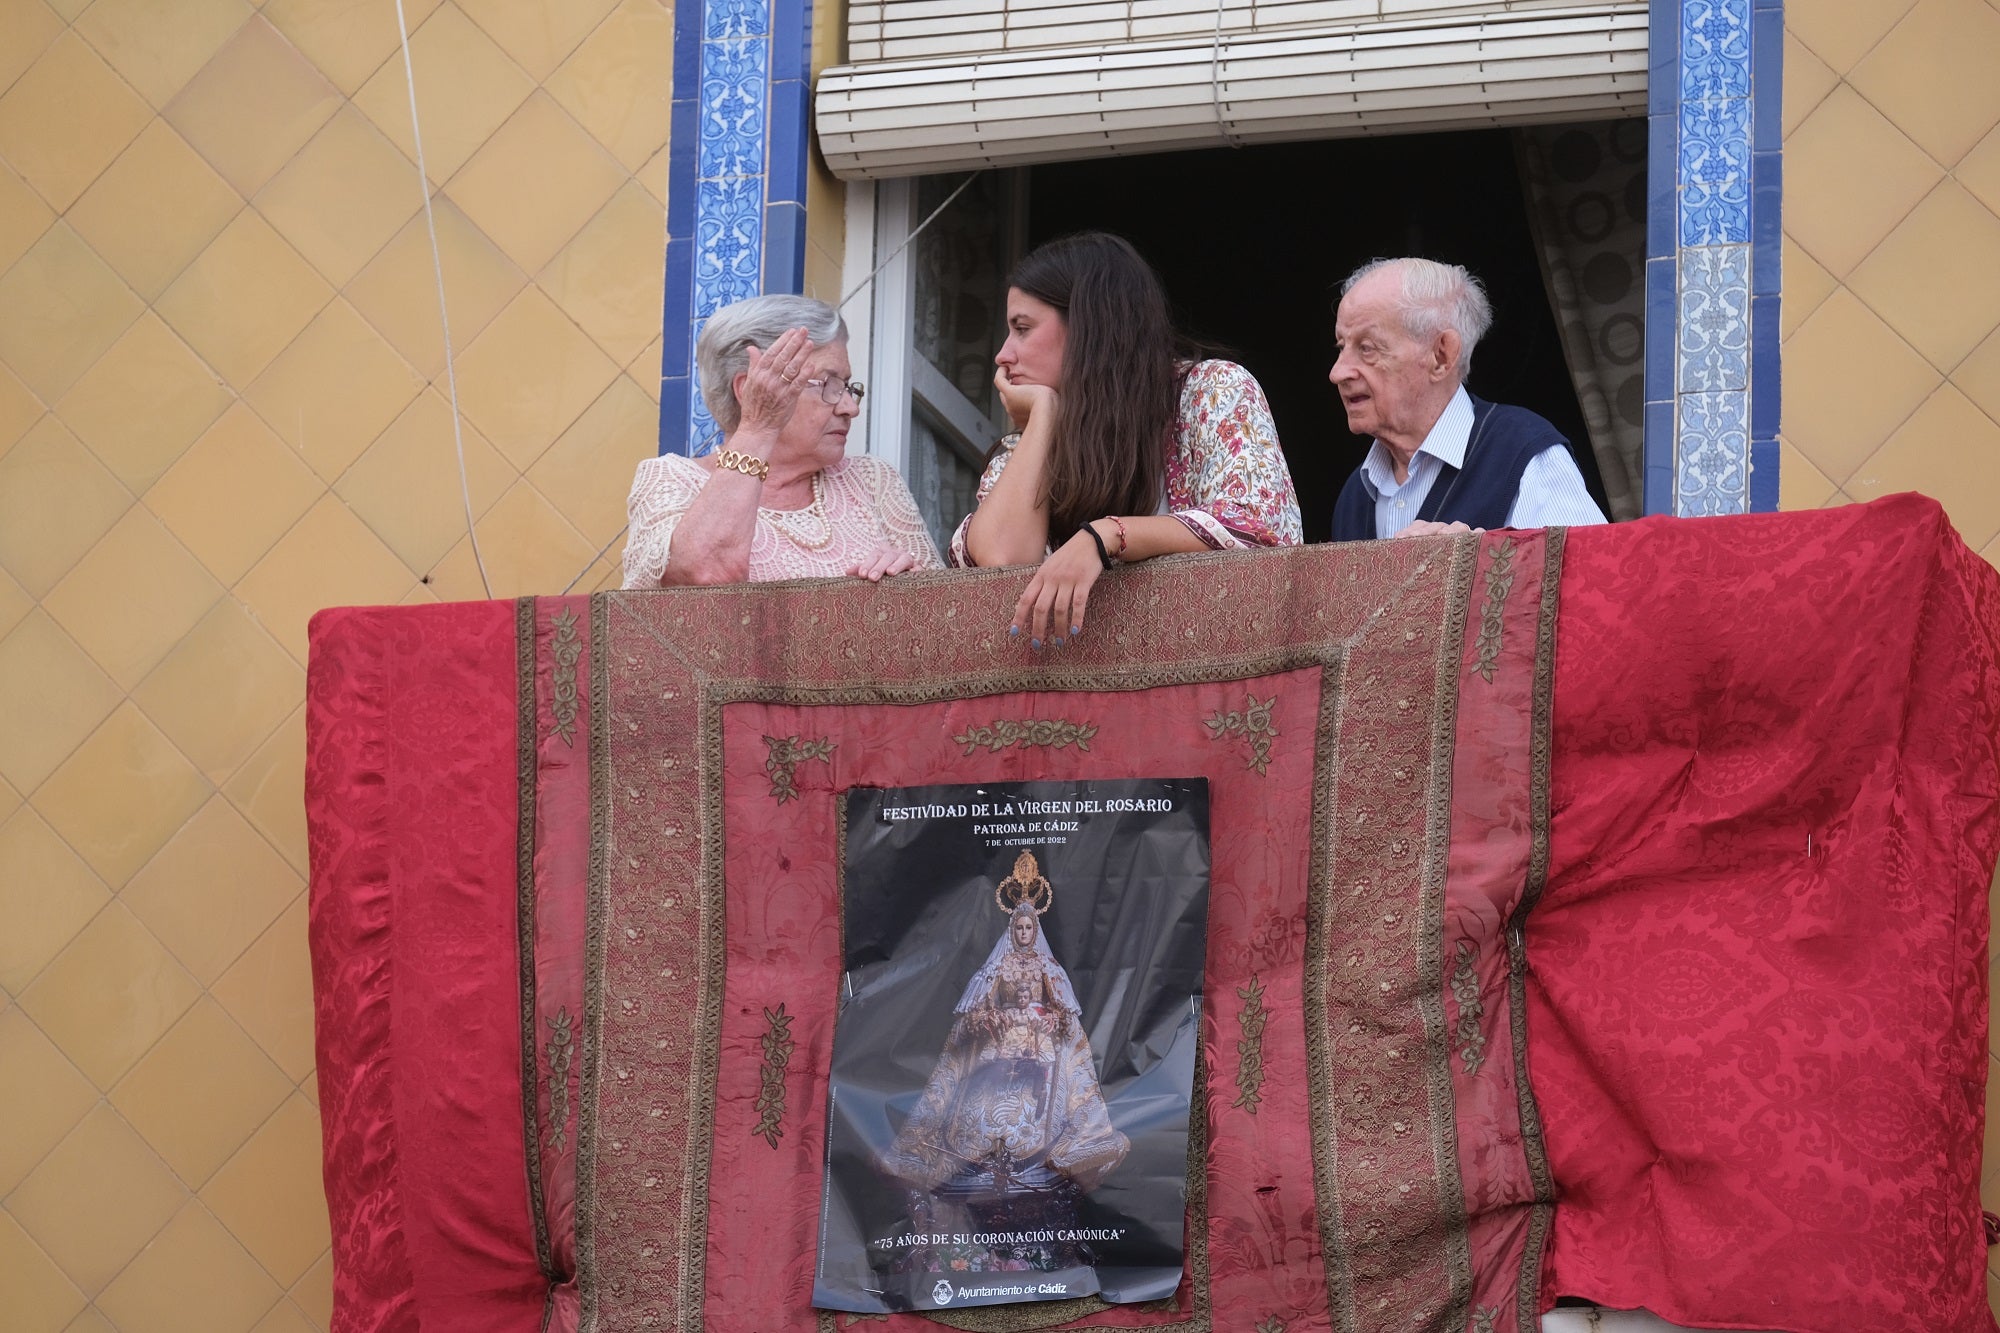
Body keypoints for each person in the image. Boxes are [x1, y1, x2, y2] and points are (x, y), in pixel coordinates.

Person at [951, 232, 1302, 646]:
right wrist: (1044, 417)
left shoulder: (1211, 389)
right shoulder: (1026, 446)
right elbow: (1000, 565)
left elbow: (1262, 529)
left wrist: (1106, 536)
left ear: (1089, 328)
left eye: (1022, 328)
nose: (1003, 354)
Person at [884, 854, 1127, 1274]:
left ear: (1037, 929)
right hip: (1001, 1043)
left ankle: (1046, 1153)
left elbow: (1063, 1008)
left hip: (1037, 1039)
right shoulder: (1000, 966)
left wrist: (1049, 1018)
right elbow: (978, 1004)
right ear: (1011, 929)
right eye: (1018, 926)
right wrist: (990, 1018)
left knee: (1059, 1066)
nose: (1023, 931)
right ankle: (969, 1153)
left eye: (1029, 926)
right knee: (976, 1071)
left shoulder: (1045, 966)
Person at [621, 294, 942, 587]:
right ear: (749, 390)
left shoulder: (872, 481)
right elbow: (705, 577)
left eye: (847, 386)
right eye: (829, 385)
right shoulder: (670, 480)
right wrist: (758, 427)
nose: (850, 407)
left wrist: (908, 586)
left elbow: (948, 616)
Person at [1327, 257, 1608, 541]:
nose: (1337, 373)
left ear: (1442, 355)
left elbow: (1597, 579)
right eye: (1341, 347)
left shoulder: (1524, 457)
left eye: (1367, 348)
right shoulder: (1354, 498)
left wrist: (1479, 565)